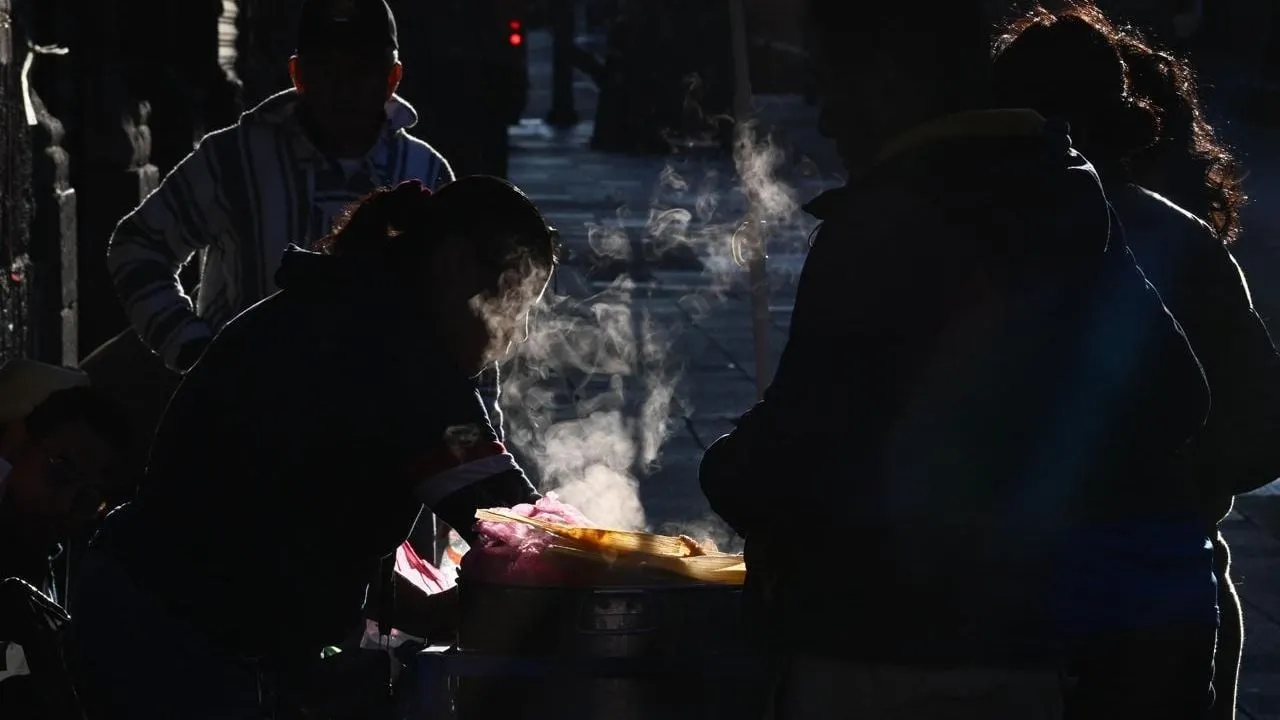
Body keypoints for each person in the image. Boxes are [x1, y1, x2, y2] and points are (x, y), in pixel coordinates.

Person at [699, 2, 1211, 718]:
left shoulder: (886, 223)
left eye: (835, 88)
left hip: (882, 646)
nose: (828, 122)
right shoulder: (1061, 192)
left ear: (892, 81)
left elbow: (808, 444)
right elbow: (1174, 398)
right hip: (1024, 645)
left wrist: (729, 467)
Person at [72, 176, 558, 719]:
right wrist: (626, 570)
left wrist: (426, 610)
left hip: (153, 610)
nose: (516, 333)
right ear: (454, 263)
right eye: (517, 300)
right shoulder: (397, 351)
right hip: (172, 644)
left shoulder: (353, 305)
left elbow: (300, 520)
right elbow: (519, 529)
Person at [992, 6, 1280, 718]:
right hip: (1170, 592)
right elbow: (1260, 430)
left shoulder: (980, 242)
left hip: (1040, 599)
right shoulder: (1179, 237)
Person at [0, 360, 126, 600]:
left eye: (86, 500)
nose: (65, 503)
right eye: (61, 470)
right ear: (17, 437)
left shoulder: (43, 592)